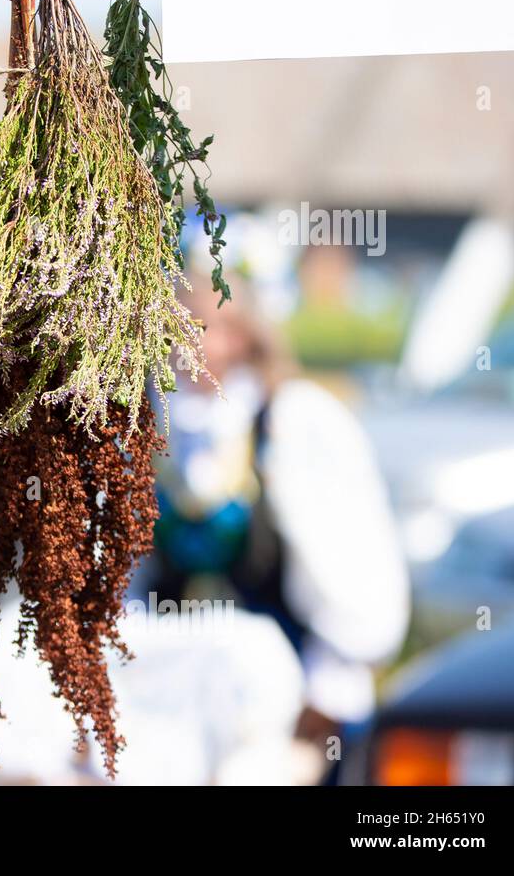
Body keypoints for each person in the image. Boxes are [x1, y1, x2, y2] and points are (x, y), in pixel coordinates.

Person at [148, 272, 410, 780]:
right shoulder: (151, 429)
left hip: (293, 700)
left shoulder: (295, 423)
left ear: (243, 334)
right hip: (180, 699)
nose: (193, 346)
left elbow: (353, 580)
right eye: (176, 329)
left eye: (208, 326)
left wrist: (326, 696)